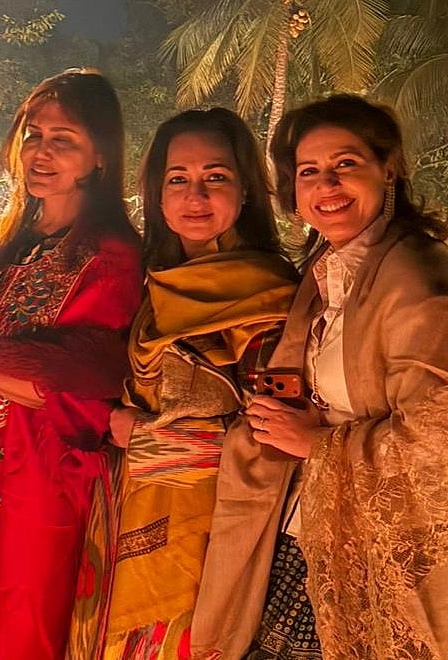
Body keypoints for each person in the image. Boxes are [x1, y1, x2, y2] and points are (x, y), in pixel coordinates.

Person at [234, 95, 448, 659]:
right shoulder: (329, 270)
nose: (327, 184)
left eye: (346, 163)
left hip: (385, 554)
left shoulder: (417, 277)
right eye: (308, 171)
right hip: (314, 527)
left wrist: (316, 445)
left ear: (388, 170)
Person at [0, 69, 143, 660]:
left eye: (63, 139)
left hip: (41, 474)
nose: (42, 152)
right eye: (33, 134)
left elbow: (85, 385)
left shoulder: (110, 255)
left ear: (99, 156)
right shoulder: (10, 243)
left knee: (25, 628)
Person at [77, 108, 298, 660]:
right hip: (124, 518)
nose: (194, 195)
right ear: (157, 194)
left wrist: (142, 437)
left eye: (215, 176)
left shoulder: (270, 295)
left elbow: (275, 443)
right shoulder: (150, 283)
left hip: (211, 538)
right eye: (178, 179)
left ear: (245, 190)